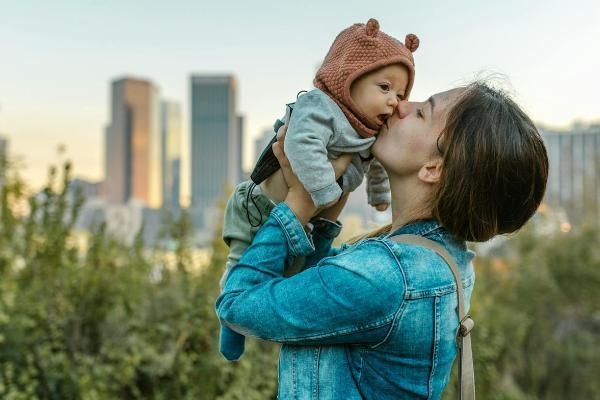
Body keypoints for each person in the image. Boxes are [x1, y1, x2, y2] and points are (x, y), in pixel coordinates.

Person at [216, 81, 549, 399]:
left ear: (434, 168)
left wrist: (298, 204)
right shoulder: (443, 259)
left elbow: (236, 304)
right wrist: (329, 210)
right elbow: (318, 293)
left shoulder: (387, 276)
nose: (402, 105)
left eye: (422, 113)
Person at [219, 18, 420, 361]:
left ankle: (256, 314)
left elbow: (375, 168)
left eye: (400, 95)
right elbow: (302, 146)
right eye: (384, 88)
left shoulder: (368, 132)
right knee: (241, 263)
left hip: (308, 219)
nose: (393, 102)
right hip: (262, 207)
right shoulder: (319, 106)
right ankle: (230, 325)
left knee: (299, 274)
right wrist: (327, 191)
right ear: (349, 78)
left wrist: (379, 195)